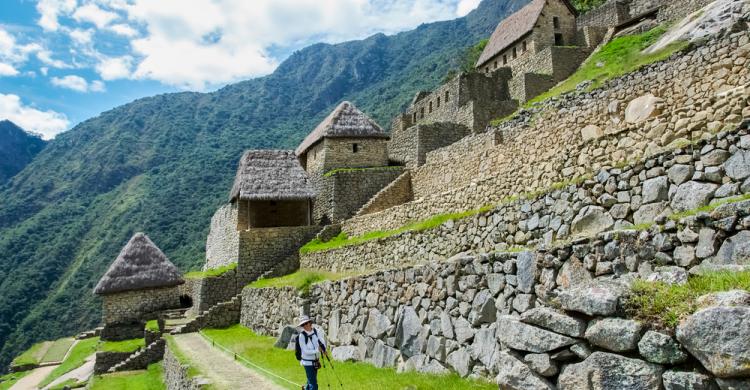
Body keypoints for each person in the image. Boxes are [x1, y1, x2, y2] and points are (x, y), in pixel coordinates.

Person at [296, 315, 328, 390]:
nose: (305, 325)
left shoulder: (316, 331)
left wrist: (324, 349)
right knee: (313, 384)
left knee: (311, 380)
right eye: (303, 324)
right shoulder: (302, 336)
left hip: (316, 361)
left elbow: (322, 341)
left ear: (310, 323)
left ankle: (305, 388)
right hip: (307, 363)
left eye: (306, 323)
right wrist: (317, 350)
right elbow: (305, 350)